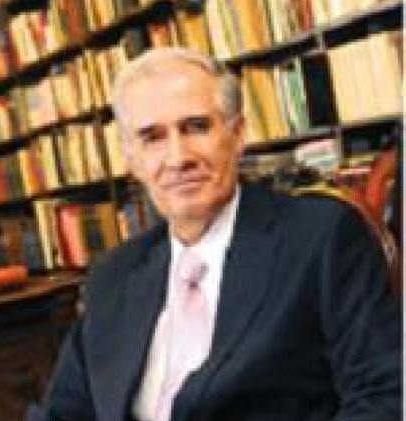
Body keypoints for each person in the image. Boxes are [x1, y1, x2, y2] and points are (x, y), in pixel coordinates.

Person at [26, 47, 400, 421]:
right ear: (131, 158)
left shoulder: (320, 237)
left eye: (196, 127)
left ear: (237, 134)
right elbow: (61, 414)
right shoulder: (114, 276)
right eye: (152, 137)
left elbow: (385, 395)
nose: (178, 158)